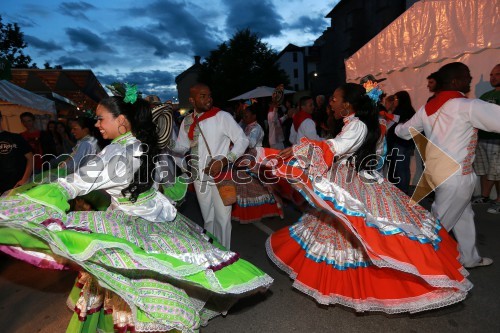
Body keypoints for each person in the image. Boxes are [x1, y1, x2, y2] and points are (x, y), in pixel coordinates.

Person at [0, 92, 272, 332]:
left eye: (100, 118)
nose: (96, 124)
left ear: (121, 120)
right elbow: (167, 184)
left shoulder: (114, 155)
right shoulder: (147, 145)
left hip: (131, 224)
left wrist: (28, 200)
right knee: (168, 273)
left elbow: (73, 183)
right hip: (162, 221)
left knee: (134, 284)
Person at [253, 82, 471, 313]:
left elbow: (337, 146)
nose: (331, 102)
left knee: (367, 234)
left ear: (347, 104)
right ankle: (345, 285)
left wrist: (301, 150)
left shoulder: (356, 125)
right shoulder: (354, 123)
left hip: (357, 184)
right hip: (352, 178)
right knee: (349, 234)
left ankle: (388, 285)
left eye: (335, 99)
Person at [395, 62, 500, 268]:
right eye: (467, 75)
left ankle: (469, 258)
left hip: (437, 173)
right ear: (455, 81)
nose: (470, 78)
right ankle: (416, 267)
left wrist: (392, 123)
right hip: (457, 176)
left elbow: (403, 132)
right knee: (437, 226)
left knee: (463, 215)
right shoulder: (467, 106)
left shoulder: (427, 108)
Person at [171, 83, 249, 249]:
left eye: (209, 95)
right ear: (192, 100)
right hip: (200, 177)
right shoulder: (187, 121)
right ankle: (212, 251)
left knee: (223, 219)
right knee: (208, 218)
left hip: (221, 175)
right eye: (203, 96)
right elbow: (181, 147)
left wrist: (225, 160)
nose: (208, 99)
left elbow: (242, 140)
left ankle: (225, 253)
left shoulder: (222, 116)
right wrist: (166, 143)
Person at [472, 64, 500, 214]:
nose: (493, 77)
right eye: (491, 75)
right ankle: (485, 196)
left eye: (497, 74)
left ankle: (499, 201)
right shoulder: (485, 96)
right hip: (482, 139)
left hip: (497, 140)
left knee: (497, 172)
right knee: (484, 170)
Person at [386, 91, 416, 194]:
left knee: (400, 169)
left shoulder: (402, 112)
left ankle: (402, 192)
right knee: (403, 169)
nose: (394, 101)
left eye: (395, 99)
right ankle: (404, 191)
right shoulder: (409, 111)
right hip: (405, 144)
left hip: (400, 144)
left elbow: (392, 125)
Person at [0, 111, 34, 194]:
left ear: (1, 119)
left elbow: (30, 158)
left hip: (19, 185)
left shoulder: (15, 137)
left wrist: (24, 179)